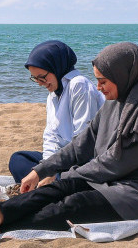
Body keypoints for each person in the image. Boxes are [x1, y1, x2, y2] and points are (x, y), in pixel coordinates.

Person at [0, 41, 138, 238]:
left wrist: (68, 175)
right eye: (97, 80)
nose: (98, 88)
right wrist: (41, 171)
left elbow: (116, 163)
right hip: (113, 180)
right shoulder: (113, 102)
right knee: (59, 188)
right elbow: (82, 144)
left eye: (103, 81)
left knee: (74, 203)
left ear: (122, 76)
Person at [8, 39, 105, 184]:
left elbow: (84, 142)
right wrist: (46, 168)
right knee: (18, 159)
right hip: (62, 161)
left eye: (42, 77)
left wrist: (50, 170)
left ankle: (51, 188)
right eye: (35, 78)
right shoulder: (54, 93)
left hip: (83, 161)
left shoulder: (79, 85)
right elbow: (51, 136)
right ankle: (49, 187)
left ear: (56, 67)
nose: (40, 83)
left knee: (69, 178)